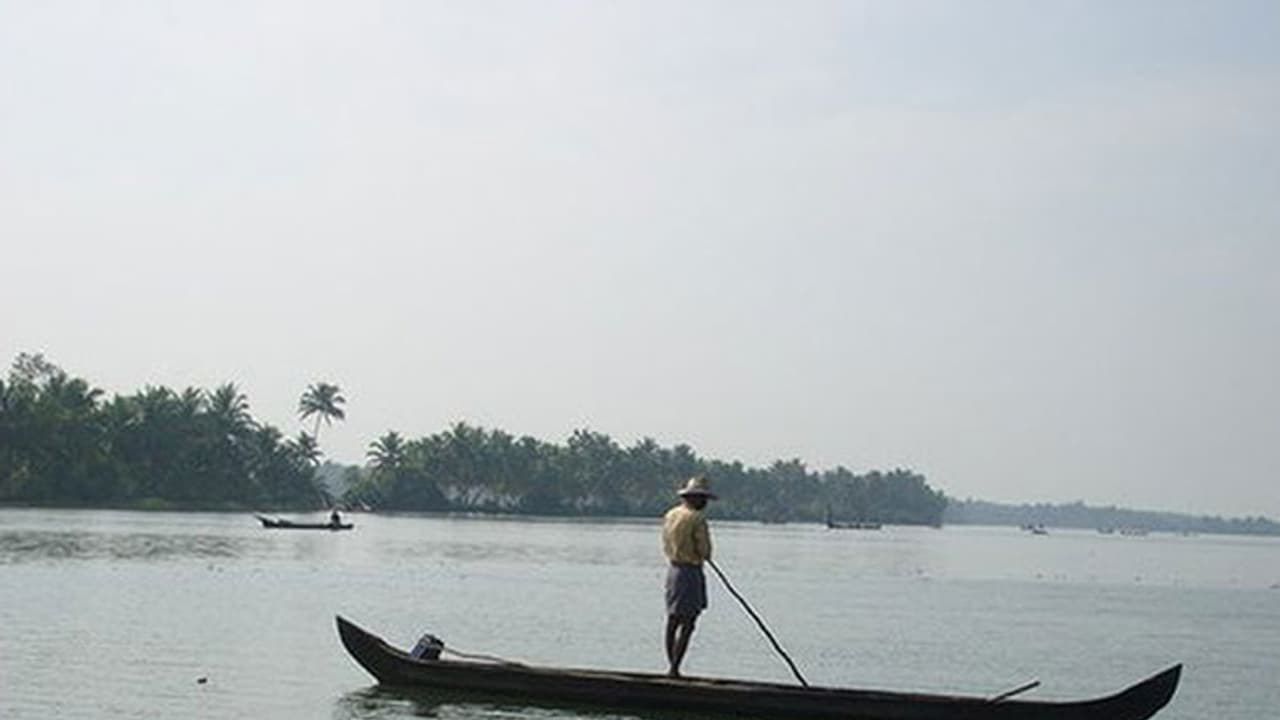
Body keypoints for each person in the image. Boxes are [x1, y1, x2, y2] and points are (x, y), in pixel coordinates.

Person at [661, 474, 717, 677]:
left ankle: (672, 668)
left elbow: (665, 543)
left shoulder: (671, 514)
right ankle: (674, 669)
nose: (704, 503)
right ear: (693, 498)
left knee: (672, 620)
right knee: (688, 622)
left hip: (673, 571)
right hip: (690, 572)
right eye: (702, 499)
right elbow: (705, 551)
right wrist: (704, 555)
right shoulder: (696, 518)